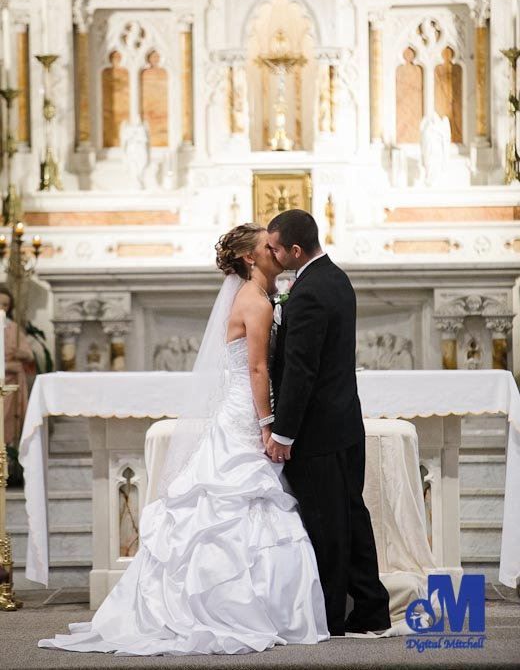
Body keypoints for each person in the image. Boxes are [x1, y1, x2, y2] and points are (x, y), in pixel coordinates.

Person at [39, 223, 328, 656]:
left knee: (242, 501)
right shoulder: (255, 300)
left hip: (239, 409)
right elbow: (255, 370)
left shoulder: (256, 296)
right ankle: (234, 606)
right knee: (239, 499)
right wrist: (268, 424)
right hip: (246, 413)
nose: (276, 251)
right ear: (251, 258)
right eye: (268, 247)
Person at [266, 209, 391, 636]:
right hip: (343, 425)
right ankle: (371, 608)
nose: (272, 253)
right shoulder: (334, 278)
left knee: (327, 525)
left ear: (295, 250)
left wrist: (283, 432)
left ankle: (334, 618)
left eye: (276, 248)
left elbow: (302, 370)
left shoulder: (309, 292)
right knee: (350, 517)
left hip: (318, 432)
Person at [0, 285, 34, 450]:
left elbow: (29, 355)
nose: (2, 308)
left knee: (8, 425)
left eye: (5, 305)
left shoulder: (13, 327)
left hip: (11, 385)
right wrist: (6, 366)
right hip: (4, 376)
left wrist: (21, 354)